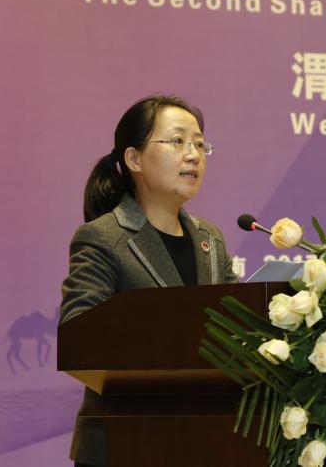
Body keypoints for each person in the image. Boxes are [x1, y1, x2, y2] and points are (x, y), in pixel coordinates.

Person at [59, 95, 237, 467]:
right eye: (177, 141)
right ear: (134, 159)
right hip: (123, 443)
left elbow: (235, 329)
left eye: (200, 144)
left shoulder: (211, 240)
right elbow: (79, 334)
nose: (193, 155)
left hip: (205, 441)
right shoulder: (103, 237)